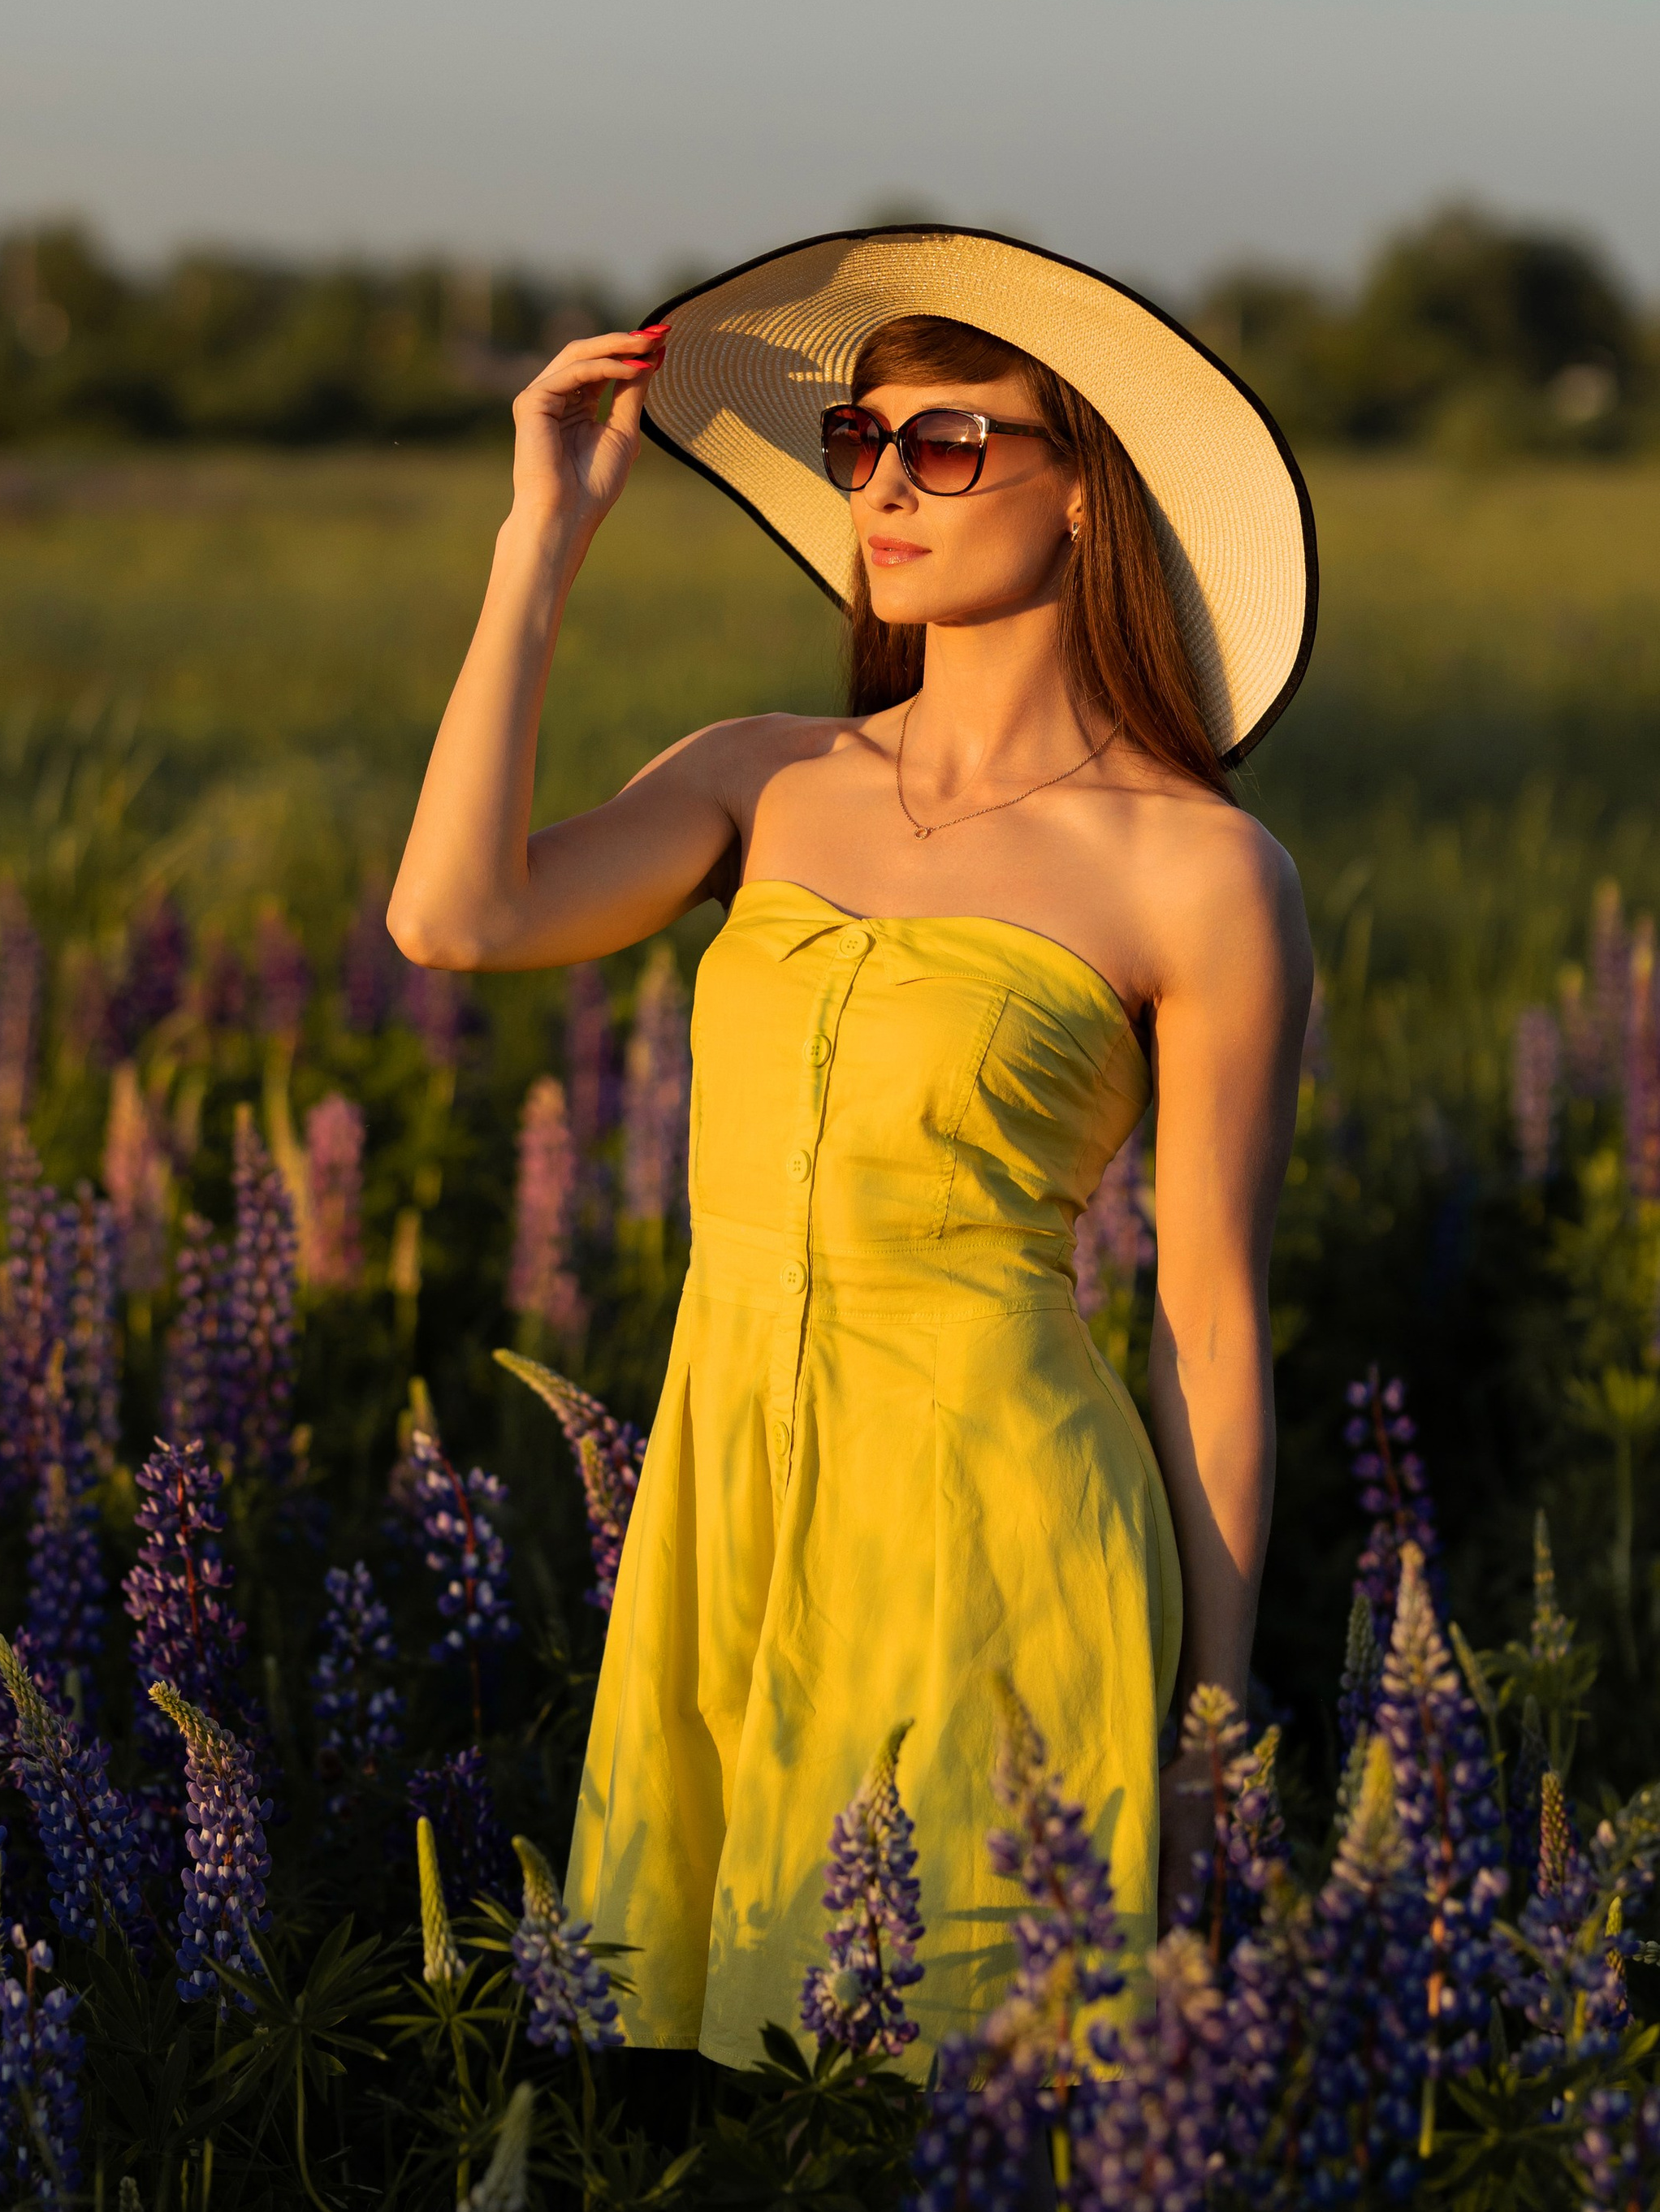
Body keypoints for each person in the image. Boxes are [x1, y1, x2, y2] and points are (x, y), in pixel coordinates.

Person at [388, 224, 1316, 2068]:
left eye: (948, 443)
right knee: (707, 2120)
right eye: (861, 442)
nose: (883, 485)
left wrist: (1212, 1715)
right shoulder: (766, 772)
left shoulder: (1199, 869)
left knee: (946, 2104)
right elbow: (453, 917)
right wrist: (537, 548)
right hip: (727, 1499)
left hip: (997, 1524)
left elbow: (1205, 1322)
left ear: (1083, 495)